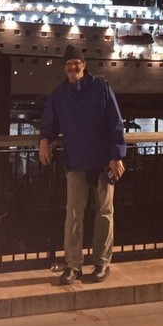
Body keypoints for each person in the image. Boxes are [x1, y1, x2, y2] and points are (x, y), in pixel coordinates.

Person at [39, 44, 126, 285]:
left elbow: (116, 122)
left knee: (104, 214)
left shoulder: (101, 87)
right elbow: (49, 123)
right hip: (76, 162)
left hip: (103, 162)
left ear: (84, 65)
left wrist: (117, 155)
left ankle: (101, 263)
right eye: (68, 65)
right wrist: (44, 139)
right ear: (64, 69)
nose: (72, 68)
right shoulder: (59, 95)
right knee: (73, 215)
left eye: (76, 64)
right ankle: (73, 266)